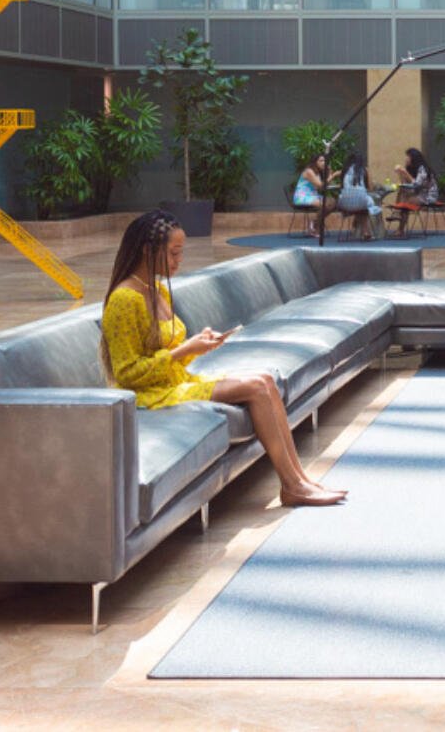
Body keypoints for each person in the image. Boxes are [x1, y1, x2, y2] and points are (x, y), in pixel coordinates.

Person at [99, 211, 345, 507]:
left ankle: (300, 479)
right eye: (174, 253)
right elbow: (126, 373)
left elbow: (166, 349)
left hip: (175, 382)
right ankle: (292, 485)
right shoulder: (125, 299)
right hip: (150, 396)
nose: (179, 261)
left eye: (181, 252)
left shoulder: (156, 288)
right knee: (256, 387)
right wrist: (184, 350)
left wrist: (198, 344)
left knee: (264, 379)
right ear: (147, 250)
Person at [387, 147, 437, 234]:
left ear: (413, 158)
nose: (406, 159)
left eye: (408, 157)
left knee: (405, 202)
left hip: (427, 197)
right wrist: (401, 173)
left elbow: (416, 184)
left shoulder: (423, 169)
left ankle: (398, 217)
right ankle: (399, 223)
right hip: (417, 194)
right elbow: (404, 184)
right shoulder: (411, 169)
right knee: (403, 192)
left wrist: (405, 173)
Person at [336, 156, 380, 239]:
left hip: (344, 203)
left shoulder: (344, 171)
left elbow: (342, 187)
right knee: (364, 206)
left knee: (360, 207)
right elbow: (370, 188)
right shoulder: (364, 170)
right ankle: (365, 231)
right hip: (361, 202)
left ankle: (362, 230)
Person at [293, 154, 332, 240]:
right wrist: (332, 176)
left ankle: (313, 224)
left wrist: (329, 173)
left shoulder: (318, 172)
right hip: (302, 196)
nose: (324, 163)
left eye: (325, 161)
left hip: (313, 195)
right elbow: (320, 186)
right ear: (315, 162)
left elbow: (324, 186)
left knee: (333, 203)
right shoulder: (309, 171)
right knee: (324, 205)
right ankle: (315, 228)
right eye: (321, 161)